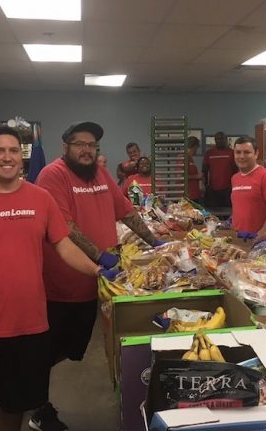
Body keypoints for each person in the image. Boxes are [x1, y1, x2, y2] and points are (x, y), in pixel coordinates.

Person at [0, 126, 113, 431]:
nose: (7, 157)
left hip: (27, 328)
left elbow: (64, 246)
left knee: (13, 410)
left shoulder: (41, 199)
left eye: (13, 151)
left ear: (21, 157)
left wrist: (98, 270)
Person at [31, 122, 164, 430]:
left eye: (92, 145)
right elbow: (64, 226)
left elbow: (127, 211)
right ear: (65, 147)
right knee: (48, 349)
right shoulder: (53, 175)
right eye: (80, 144)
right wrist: (99, 255)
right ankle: (36, 405)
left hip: (99, 281)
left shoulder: (100, 175)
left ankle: (25, 381)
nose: (87, 150)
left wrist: (155, 241)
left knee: (71, 347)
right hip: (63, 282)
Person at [230, 135, 266, 237]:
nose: (242, 156)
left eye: (247, 152)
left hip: (258, 240)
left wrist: (260, 235)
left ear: (256, 153)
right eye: (238, 152)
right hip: (238, 237)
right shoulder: (235, 178)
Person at [202, 132, 236, 209]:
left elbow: (236, 170)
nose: (219, 140)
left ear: (226, 139)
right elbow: (204, 170)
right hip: (212, 189)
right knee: (213, 213)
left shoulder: (232, 152)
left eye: (221, 138)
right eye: (217, 139)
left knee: (228, 212)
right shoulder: (209, 153)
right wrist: (206, 185)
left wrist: (233, 186)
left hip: (228, 189)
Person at [185, 136, 203, 203]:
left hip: (194, 195)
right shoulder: (183, 158)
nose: (197, 150)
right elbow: (181, 177)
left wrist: (199, 177)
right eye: (197, 147)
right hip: (188, 196)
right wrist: (197, 176)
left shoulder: (190, 158)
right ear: (195, 146)